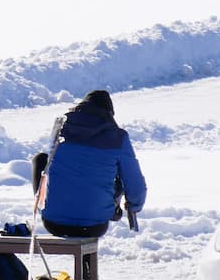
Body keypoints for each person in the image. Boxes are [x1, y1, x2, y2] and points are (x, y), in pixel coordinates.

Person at [33, 89, 148, 240]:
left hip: (53, 222)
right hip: (95, 225)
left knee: (41, 159)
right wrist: (134, 207)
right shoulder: (118, 137)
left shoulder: (60, 129)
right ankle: (108, 210)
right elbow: (135, 185)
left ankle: (42, 204)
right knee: (116, 174)